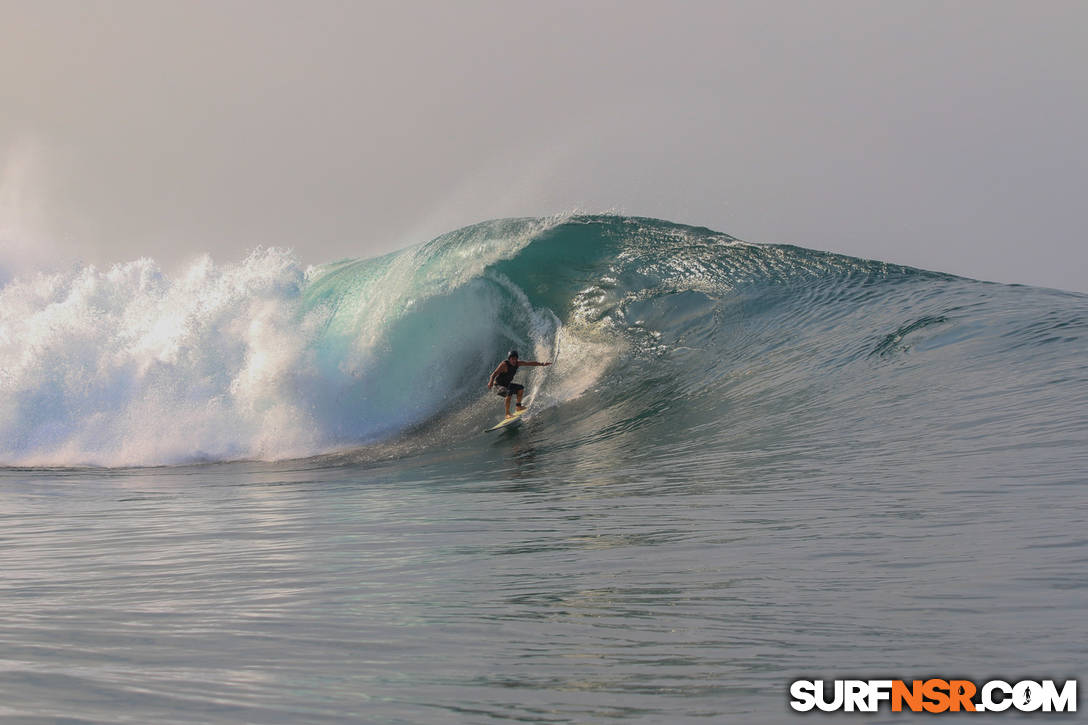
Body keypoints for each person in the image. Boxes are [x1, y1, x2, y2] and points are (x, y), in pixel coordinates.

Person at [487, 350, 552, 418]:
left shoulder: (518, 363)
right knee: (508, 392)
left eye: (515, 359)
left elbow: (529, 363)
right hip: (497, 386)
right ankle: (507, 414)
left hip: (507, 385)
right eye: (512, 359)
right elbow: (494, 374)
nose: (514, 360)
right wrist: (490, 382)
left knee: (520, 388)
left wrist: (542, 364)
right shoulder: (504, 365)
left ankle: (518, 407)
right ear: (509, 359)